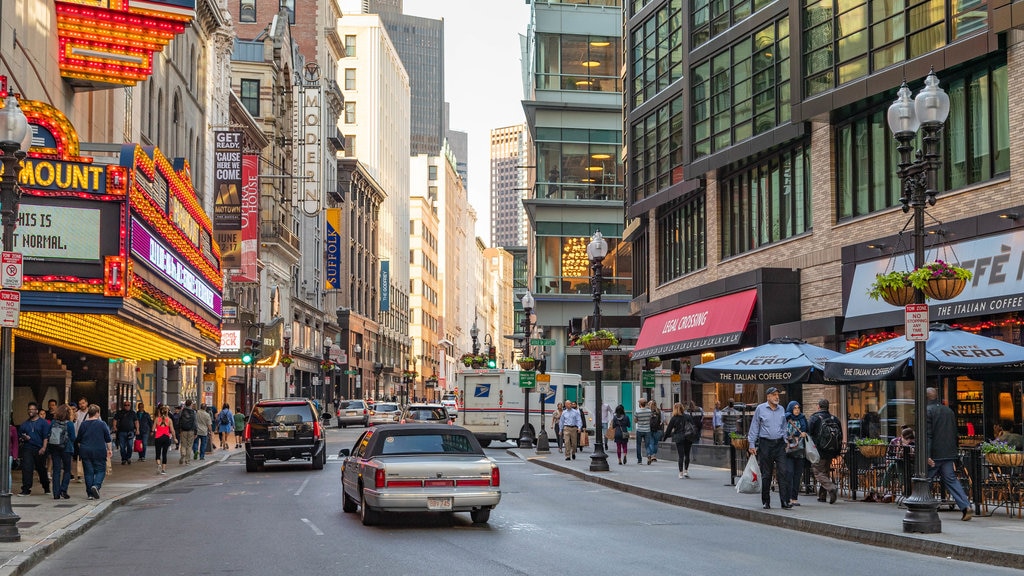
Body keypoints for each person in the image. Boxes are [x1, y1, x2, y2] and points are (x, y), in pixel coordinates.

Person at [925, 387, 973, 521]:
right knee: (951, 480)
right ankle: (965, 506)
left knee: (924, 480)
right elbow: (953, 432)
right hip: (949, 452)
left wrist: (927, 455)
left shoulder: (927, 411)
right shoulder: (949, 411)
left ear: (926, 397)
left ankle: (926, 507)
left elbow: (928, 435)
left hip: (934, 454)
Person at [747, 387, 790, 509]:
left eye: (778, 395)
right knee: (767, 474)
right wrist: (751, 444)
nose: (777, 397)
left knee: (783, 472)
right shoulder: (760, 409)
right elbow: (754, 426)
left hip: (779, 444)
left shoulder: (781, 409)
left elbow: (784, 426)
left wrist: (785, 439)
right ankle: (766, 501)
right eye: (774, 395)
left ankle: (784, 501)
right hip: (765, 444)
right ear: (768, 397)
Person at [75, 404, 112, 500]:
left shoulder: (83, 424)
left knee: (88, 472)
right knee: (100, 470)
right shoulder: (102, 424)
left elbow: (78, 439)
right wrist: (109, 449)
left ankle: (90, 494)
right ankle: (96, 485)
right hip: (99, 450)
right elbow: (108, 439)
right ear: (97, 413)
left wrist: (81, 447)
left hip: (85, 450)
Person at [807, 398, 841, 504]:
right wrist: (837, 451)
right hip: (831, 450)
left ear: (818, 406)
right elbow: (841, 436)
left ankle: (831, 487)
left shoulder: (814, 418)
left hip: (819, 450)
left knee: (817, 472)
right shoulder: (835, 419)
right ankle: (822, 496)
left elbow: (808, 433)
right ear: (828, 407)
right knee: (825, 472)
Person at [17, 402, 51, 496]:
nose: (30, 411)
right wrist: (23, 437)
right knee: (27, 468)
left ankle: (46, 486)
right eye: (29, 409)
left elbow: (46, 437)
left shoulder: (43, 423)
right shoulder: (25, 424)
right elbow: (19, 436)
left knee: (41, 469)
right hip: (28, 448)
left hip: (40, 448)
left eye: (32, 409)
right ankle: (26, 489)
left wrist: (44, 447)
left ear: (36, 411)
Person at [47, 404, 76, 500]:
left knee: (56, 470)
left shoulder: (53, 422)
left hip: (54, 448)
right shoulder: (70, 424)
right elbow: (72, 438)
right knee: (67, 470)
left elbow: (48, 434)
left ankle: (56, 493)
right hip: (67, 449)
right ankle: (63, 489)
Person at [784, 401, 808, 506]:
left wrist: (804, 434)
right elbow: (783, 432)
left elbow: (808, 431)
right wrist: (797, 434)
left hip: (800, 450)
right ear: (790, 409)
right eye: (795, 408)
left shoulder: (803, 418)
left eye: (798, 408)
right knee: (789, 473)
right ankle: (788, 497)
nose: (797, 410)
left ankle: (794, 498)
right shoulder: (786, 418)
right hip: (789, 450)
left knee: (798, 475)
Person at [882, 426, 915, 497]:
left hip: (910, 467)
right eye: (906, 439)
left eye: (910, 439)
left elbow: (916, 459)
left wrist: (910, 452)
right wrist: (898, 453)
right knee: (896, 463)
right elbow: (889, 455)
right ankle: (904, 488)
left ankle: (883, 488)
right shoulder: (894, 442)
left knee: (895, 464)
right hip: (898, 467)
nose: (908, 441)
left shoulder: (913, 443)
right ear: (901, 436)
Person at [111, 401, 138, 466]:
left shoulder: (133, 413)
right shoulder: (120, 412)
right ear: (124, 405)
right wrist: (114, 427)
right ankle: (123, 459)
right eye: (126, 405)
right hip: (121, 432)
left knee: (130, 445)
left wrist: (137, 429)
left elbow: (136, 421)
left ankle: (128, 457)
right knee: (122, 447)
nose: (127, 406)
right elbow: (115, 420)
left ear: (130, 405)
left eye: (128, 405)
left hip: (130, 432)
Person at [152, 404, 175, 475]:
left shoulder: (156, 419)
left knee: (158, 453)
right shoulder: (169, 420)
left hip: (158, 437)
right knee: (164, 454)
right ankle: (163, 470)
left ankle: (158, 464)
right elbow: (172, 430)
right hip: (166, 438)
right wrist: (175, 438)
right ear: (167, 412)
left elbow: (153, 429)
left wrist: (155, 429)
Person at [177, 400, 197, 465]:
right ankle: (187, 460)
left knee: (183, 444)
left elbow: (179, 421)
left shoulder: (182, 412)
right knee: (189, 445)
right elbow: (195, 423)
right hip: (191, 430)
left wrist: (179, 430)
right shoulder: (193, 412)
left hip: (183, 430)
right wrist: (195, 432)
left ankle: (183, 454)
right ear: (191, 404)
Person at [73, 397, 88, 482]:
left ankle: (88, 473)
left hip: (90, 438)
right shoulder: (77, 414)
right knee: (80, 457)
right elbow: (75, 427)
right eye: (80, 404)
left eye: (83, 403)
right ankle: (80, 475)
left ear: (86, 403)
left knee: (88, 457)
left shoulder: (92, 413)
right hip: (80, 439)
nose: (81, 405)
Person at [634, 398, 652, 465]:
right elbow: (650, 419)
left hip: (639, 430)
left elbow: (635, 421)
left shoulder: (637, 411)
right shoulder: (649, 411)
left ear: (640, 404)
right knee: (647, 445)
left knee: (638, 445)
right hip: (647, 430)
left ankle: (639, 460)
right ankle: (649, 455)